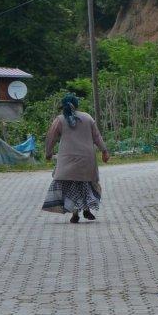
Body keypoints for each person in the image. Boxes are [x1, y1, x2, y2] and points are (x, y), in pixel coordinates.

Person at [43, 94, 109, 223]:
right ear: (77, 105)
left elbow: (51, 138)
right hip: (87, 158)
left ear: (63, 106)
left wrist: (48, 153)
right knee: (85, 185)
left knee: (72, 185)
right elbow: (97, 136)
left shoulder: (60, 120)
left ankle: (75, 213)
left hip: (67, 160)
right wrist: (104, 151)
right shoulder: (87, 118)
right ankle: (86, 209)